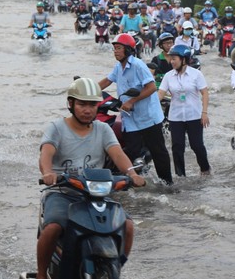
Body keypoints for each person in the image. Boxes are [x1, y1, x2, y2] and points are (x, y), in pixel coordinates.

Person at [37, 78, 146, 279]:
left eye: (92, 105)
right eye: (82, 104)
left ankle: (114, 267)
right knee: (53, 227)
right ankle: (41, 273)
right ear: (70, 104)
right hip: (62, 192)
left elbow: (118, 154)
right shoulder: (57, 128)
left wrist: (131, 173)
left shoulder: (103, 130)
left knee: (128, 226)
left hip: (96, 193)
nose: (87, 110)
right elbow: (46, 154)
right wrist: (47, 173)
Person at [98, 34, 173, 185]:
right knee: (130, 152)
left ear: (128, 50)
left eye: (119, 48)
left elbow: (151, 87)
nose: (115, 52)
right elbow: (107, 81)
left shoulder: (138, 65)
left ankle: (168, 184)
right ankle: (132, 183)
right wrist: (87, 90)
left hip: (148, 117)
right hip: (130, 118)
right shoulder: (119, 67)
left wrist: (132, 101)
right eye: (114, 49)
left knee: (158, 152)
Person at [157, 45, 211, 177]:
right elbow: (160, 94)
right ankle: (180, 175)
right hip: (175, 117)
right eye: (171, 59)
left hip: (194, 115)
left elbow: (205, 93)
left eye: (174, 59)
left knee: (197, 146)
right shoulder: (168, 76)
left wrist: (204, 113)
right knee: (177, 148)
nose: (171, 61)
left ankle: (205, 170)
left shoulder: (196, 74)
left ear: (184, 60)